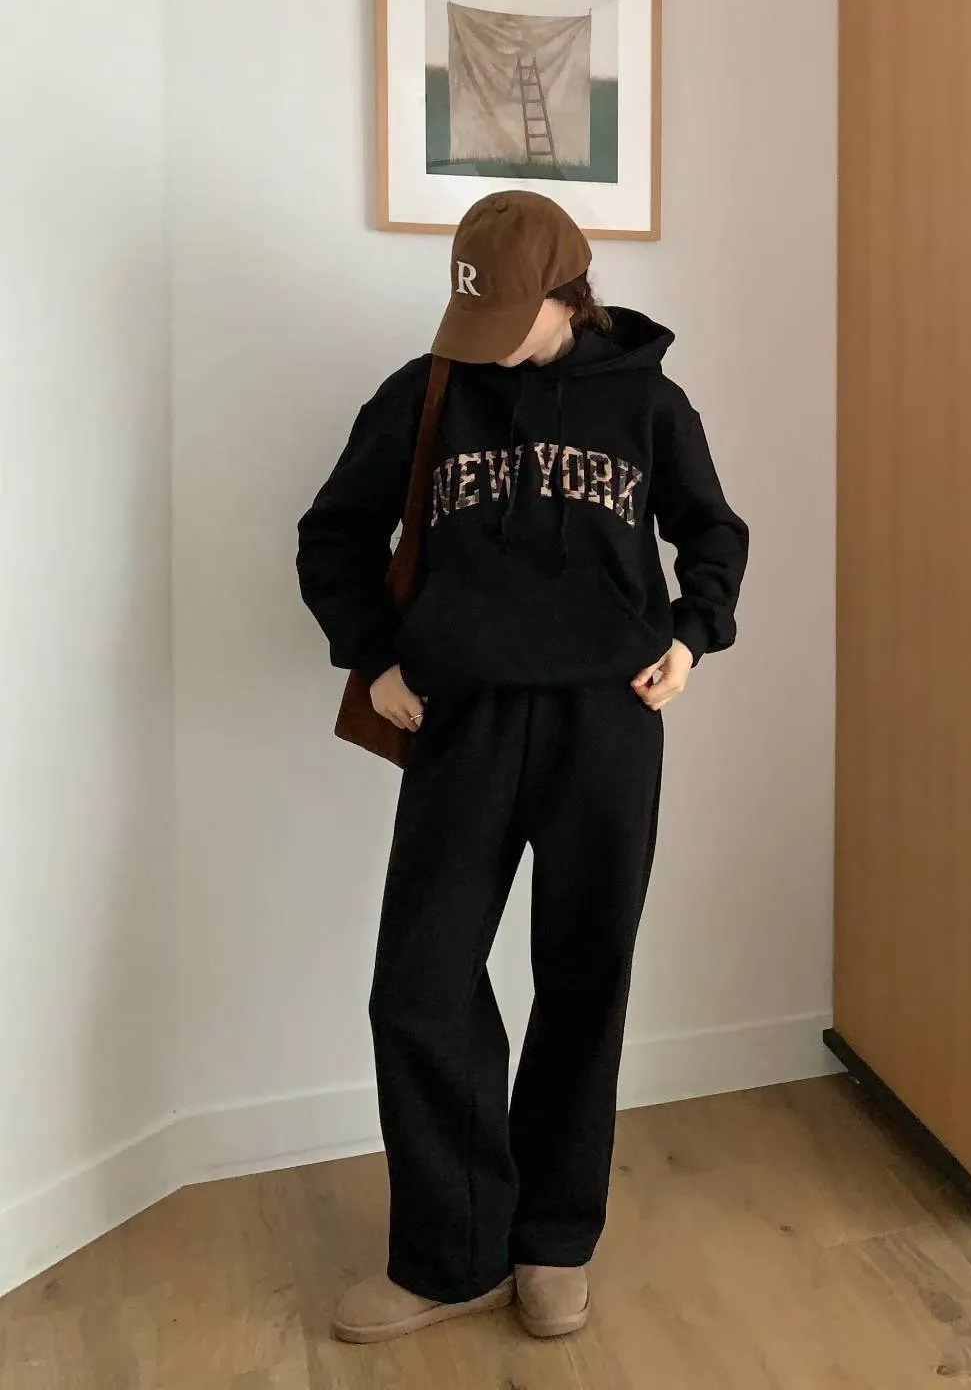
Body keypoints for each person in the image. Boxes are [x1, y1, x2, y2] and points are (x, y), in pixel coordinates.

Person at [297, 190, 748, 1346]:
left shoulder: (648, 403)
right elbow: (332, 534)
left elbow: (714, 530)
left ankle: (552, 1240)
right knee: (422, 983)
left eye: (510, 317)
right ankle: (453, 1255)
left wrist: (693, 634)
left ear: (569, 294)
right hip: (467, 721)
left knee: (584, 978)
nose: (488, 341)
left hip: (608, 722)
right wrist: (374, 654)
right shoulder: (427, 393)